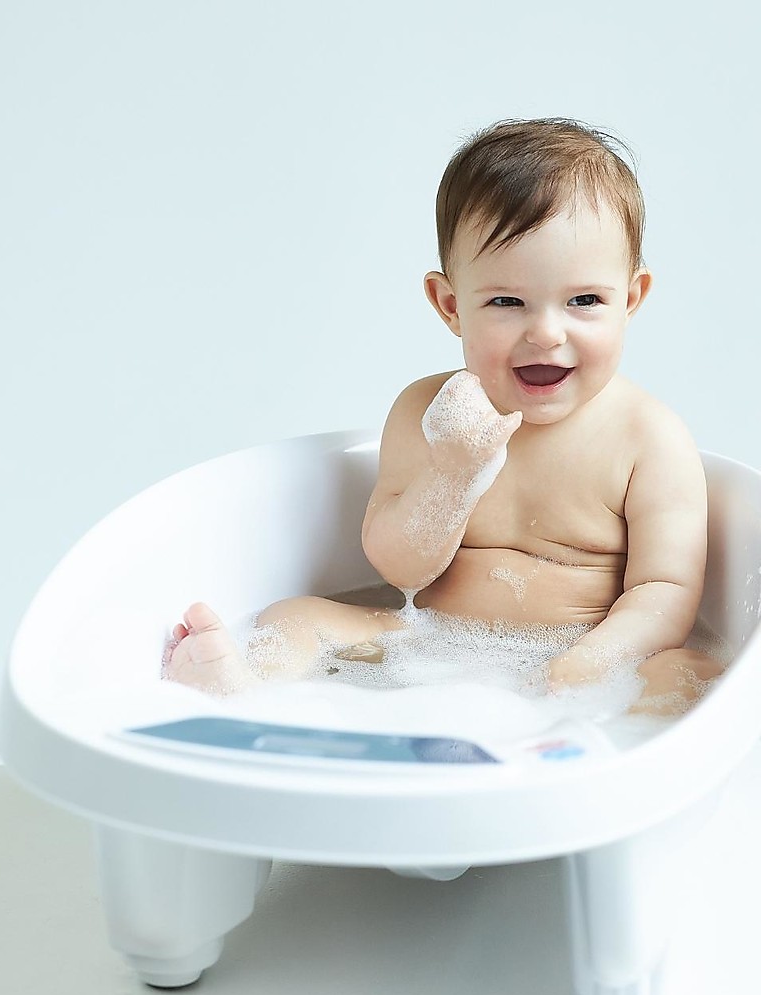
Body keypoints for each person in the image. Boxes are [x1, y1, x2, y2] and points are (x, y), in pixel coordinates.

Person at [164, 117, 723, 713]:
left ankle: (609, 755)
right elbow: (401, 570)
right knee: (296, 616)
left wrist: (593, 661)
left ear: (631, 299)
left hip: (584, 655)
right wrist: (453, 474)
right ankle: (242, 695)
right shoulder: (426, 413)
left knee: (689, 669)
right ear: (450, 304)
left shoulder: (648, 437)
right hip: (427, 644)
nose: (546, 332)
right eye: (507, 302)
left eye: (584, 300)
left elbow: (665, 590)